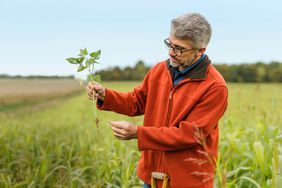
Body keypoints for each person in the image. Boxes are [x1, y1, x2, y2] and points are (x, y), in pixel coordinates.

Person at [87, 12, 228, 188]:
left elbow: (189, 135)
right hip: (152, 173)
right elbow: (135, 101)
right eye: (170, 44)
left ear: (200, 51)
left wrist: (138, 133)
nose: (171, 52)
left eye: (179, 48)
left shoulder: (215, 87)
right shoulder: (159, 70)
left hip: (187, 180)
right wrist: (105, 95)